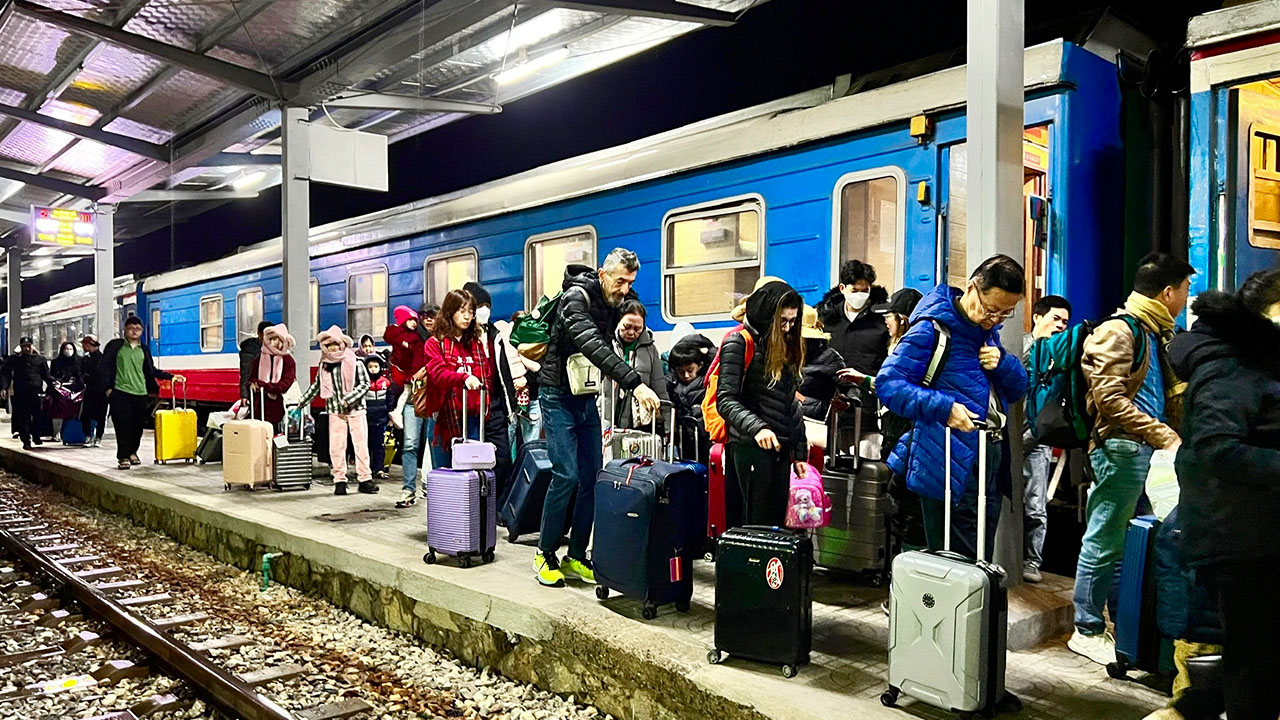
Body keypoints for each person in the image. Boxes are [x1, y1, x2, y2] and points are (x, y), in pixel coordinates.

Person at [1068, 252, 1193, 666]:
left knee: (1129, 546)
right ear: (1168, 291)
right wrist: (1163, 433)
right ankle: (1085, 628)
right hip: (1121, 448)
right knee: (1104, 540)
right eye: (1185, 290)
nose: (1186, 299)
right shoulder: (1120, 331)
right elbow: (1108, 397)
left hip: (1144, 450)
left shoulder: (1154, 331)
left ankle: (1126, 629)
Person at [1169, 273, 1280, 720]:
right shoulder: (1229, 365)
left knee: (1263, 657)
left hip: (1263, 532)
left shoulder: (1263, 361)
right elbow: (1219, 448)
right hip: (1243, 539)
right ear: (1266, 314)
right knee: (1253, 660)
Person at [875, 255, 1029, 562]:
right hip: (944, 460)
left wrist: (1003, 363)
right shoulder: (933, 330)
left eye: (1005, 313)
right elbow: (889, 384)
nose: (995, 319)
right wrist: (945, 409)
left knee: (979, 562)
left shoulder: (986, 334)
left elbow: (1018, 389)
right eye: (991, 309)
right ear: (973, 288)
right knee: (956, 567)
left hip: (989, 459)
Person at [534, 249, 661, 587]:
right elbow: (592, 344)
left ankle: (575, 556)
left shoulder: (615, 302)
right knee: (566, 475)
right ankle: (544, 552)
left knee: (593, 477)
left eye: (631, 282)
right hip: (557, 393)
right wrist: (635, 384)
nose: (625, 289)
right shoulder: (576, 298)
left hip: (584, 396)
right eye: (620, 281)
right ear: (603, 275)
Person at [716, 280, 809, 525]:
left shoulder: (785, 346)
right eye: (783, 321)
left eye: (792, 321)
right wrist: (758, 427)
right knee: (753, 525)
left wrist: (800, 453)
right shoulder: (738, 342)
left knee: (771, 525)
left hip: (779, 450)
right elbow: (725, 400)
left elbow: (791, 405)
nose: (788, 328)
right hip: (749, 447)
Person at [1019, 295, 1072, 583]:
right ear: (1038, 317)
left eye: (1065, 322)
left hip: (1039, 438)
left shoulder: (1061, 354)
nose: (1060, 326)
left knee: (1035, 504)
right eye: (1055, 319)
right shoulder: (1019, 345)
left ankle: (1031, 561)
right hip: (1009, 434)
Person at [422, 289, 496, 467]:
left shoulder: (475, 344)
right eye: (461, 311)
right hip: (445, 419)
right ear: (450, 311)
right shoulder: (435, 343)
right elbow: (438, 374)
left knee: (471, 475)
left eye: (470, 311)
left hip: (473, 419)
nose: (467, 317)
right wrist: (463, 377)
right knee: (445, 477)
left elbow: (486, 375)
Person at [300, 326, 376, 496]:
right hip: (334, 411)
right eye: (329, 345)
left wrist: (349, 398)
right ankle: (339, 481)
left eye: (336, 344)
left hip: (356, 409)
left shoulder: (355, 362)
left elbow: (364, 385)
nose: (333, 348)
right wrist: (302, 401)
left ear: (343, 344)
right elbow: (317, 385)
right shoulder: (324, 365)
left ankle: (365, 479)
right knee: (336, 447)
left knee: (360, 446)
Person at [104, 316, 183, 470]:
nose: (134, 331)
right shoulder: (116, 346)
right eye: (131, 328)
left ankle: (133, 451)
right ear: (125, 330)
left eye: (137, 328)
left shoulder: (144, 349)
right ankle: (123, 456)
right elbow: (105, 367)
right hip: (120, 391)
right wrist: (108, 389)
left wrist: (171, 376)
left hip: (140, 392)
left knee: (137, 425)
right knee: (122, 425)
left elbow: (150, 370)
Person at [462, 282, 514, 495]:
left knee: (502, 458)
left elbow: (504, 372)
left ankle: (497, 504)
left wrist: (509, 405)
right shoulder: (462, 337)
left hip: (495, 406)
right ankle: (477, 507)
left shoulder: (495, 335)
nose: (485, 310)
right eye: (479, 305)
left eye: (487, 305)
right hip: (471, 408)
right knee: (474, 462)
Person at [385, 305, 431, 508]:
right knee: (411, 444)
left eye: (433, 316)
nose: (429, 320)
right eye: (424, 317)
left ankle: (433, 486)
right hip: (414, 398)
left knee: (435, 446)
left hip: (437, 401)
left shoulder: (444, 338)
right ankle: (408, 490)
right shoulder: (411, 338)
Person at [818, 260, 891, 379]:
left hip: (867, 391)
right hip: (831, 390)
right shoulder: (826, 318)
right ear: (842, 288)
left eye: (864, 291)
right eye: (854, 291)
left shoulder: (883, 319)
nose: (859, 295)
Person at [608, 300, 669, 433]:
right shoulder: (607, 345)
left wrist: (667, 426)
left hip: (638, 422)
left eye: (637, 329)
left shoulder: (650, 349)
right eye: (627, 326)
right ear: (618, 322)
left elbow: (660, 389)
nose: (631, 333)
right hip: (608, 414)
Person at [667, 332, 715, 463]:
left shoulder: (709, 380)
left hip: (706, 437)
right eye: (681, 372)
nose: (686, 375)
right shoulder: (672, 383)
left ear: (700, 366)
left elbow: (716, 356)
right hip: (684, 439)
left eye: (690, 370)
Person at [497, 310, 542, 445]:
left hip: (532, 397)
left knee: (531, 441)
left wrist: (526, 379)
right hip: (509, 399)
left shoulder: (536, 341)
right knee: (508, 439)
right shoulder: (502, 342)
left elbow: (541, 367)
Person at [1, 337, 50, 450]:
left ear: (32, 346)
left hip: (35, 392)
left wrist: (53, 386)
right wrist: (4, 387)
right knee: (23, 417)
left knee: (37, 415)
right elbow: (5, 373)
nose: (27, 349)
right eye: (24, 347)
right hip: (20, 393)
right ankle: (26, 439)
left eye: (28, 346)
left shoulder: (40, 359)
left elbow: (46, 375)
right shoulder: (15, 360)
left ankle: (36, 435)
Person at [796, 304, 844, 421]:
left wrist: (845, 401)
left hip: (814, 421)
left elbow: (848, 386)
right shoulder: (778, 354)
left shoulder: (829, 358)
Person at [249, 324, 297, 432]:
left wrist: (263, 386)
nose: (274, 342)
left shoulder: (288, 361)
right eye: (272, 339)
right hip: (259, 408)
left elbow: (284, 385)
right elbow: (251, 378)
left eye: (278, 339)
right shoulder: (259, 359)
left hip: (279, 409)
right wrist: (254, 384)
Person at [364, 354, 392, 480]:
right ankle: (368, 468)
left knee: (379, 445)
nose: (373, 369)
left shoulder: (386, 383)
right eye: (370, 367)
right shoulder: (364, 384)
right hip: (367, 419)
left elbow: (390, 401)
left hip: (381, 419)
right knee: (367, 445)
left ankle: (379, 468)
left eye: (376, 366)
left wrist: (390, 416)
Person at [79, 334, 108, 447]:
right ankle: (92, 437)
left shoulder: (102, 359)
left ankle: (96, 437)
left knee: (100, 415)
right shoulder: (86, 359)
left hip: (99, 390)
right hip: (91, 390)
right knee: (87, 415)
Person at [239, 320, 272, 403]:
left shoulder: (274, 348)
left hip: (269, 391)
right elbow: (246, 373)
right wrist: (244, 396)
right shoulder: (250, 350)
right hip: (256, 391)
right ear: (260, 334)